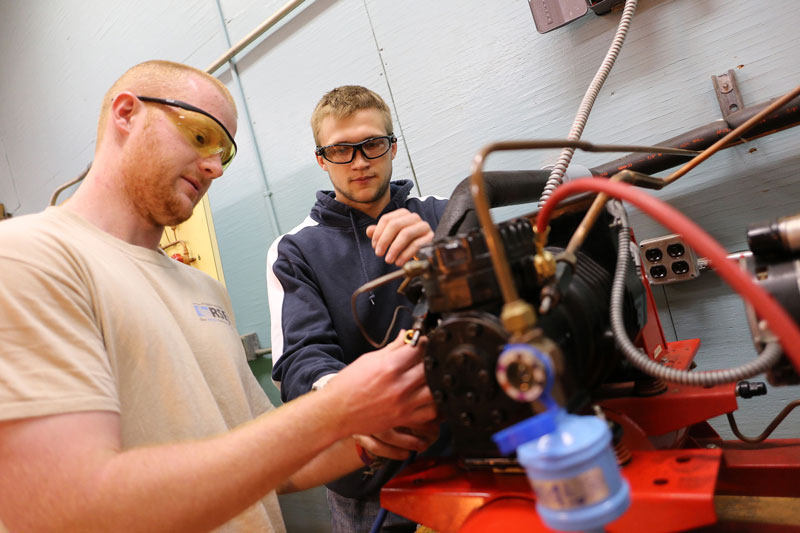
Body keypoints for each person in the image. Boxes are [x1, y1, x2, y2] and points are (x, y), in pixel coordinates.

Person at [0, 61, 437, 533]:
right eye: (200, 136)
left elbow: (274, 464)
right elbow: (64, 505)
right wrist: (339, 404)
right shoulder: (28, 257)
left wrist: (371, 435)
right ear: (126, 113)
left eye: (224, 153)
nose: (213, 167)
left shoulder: (204, 291)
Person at [267, 85, 449, 532]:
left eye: (371, 144)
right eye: (341, 150)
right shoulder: (294, 250)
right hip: (372, 481)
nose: (360, 161)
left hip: (466, 449)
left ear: (392, 147)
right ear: (321, 159)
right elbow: (301, 361)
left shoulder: (445, 215)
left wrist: (444, 256)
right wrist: (357, 407)